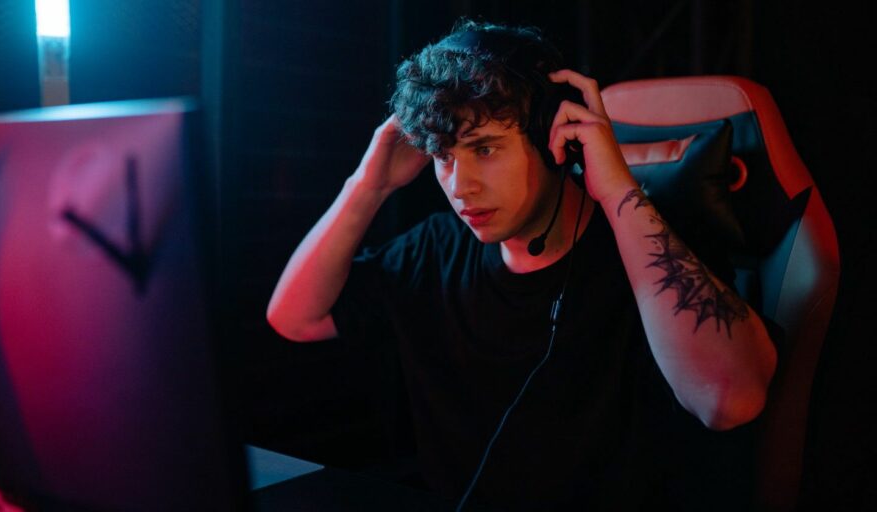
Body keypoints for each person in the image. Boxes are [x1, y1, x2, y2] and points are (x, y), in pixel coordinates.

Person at [267, 19, 777, 510]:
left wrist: (616, 185)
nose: (459, 185)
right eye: (443, 156)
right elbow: (295, 317)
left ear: (555, 137)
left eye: (484, 148)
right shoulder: (435, 249)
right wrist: (367, 184)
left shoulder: (650, 251)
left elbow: (729, 399)